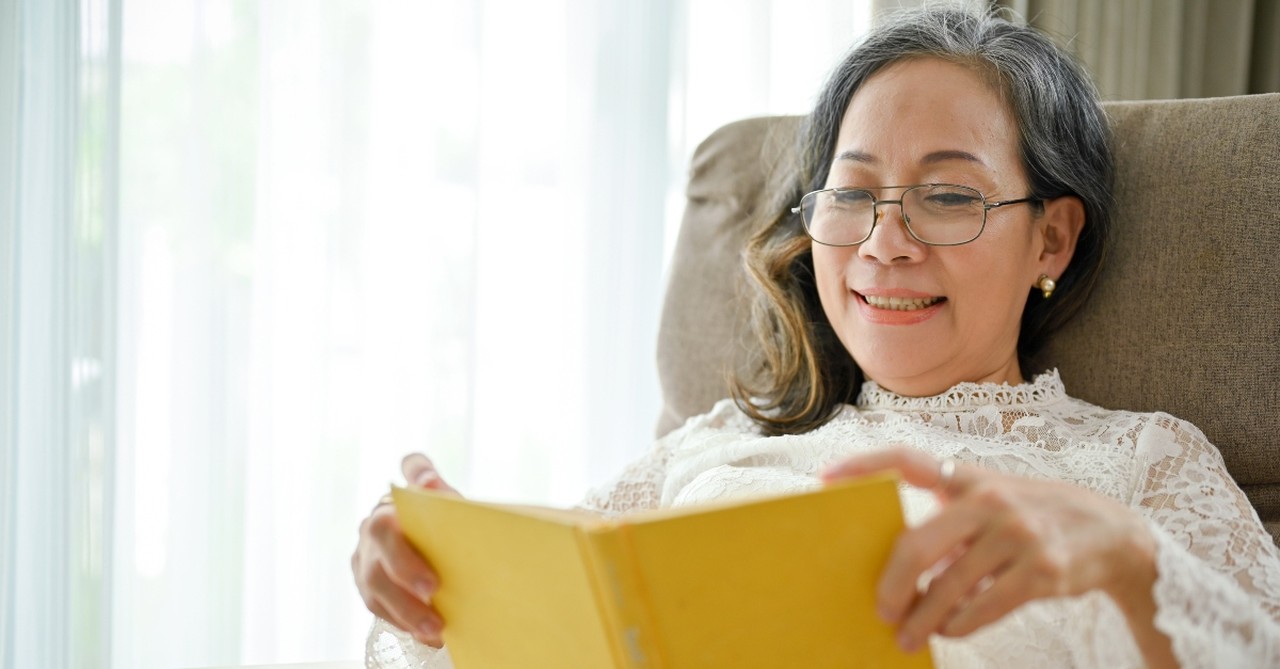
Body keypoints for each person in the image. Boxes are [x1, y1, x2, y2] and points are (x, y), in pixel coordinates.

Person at [352, 7, 1280, 668]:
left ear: (1052, 235)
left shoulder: (1140, 466)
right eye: (852, 194)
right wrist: (436, 591)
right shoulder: (714, 443)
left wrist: (1127, 558)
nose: (884, 243)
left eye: (948, 195)